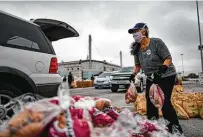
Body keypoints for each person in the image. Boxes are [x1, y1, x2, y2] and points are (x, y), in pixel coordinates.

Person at [128, 22, 183, 134]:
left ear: (145, 30)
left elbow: (168, 58)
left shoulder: (156, 42)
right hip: (151, 77)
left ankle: (176, 130)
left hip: (166, 75)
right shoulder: (137, 49)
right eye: (133, 32)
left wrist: (161, 70)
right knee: (150, 102)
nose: (134, 34)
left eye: (136, 31)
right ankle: (153, 127)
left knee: (164, 102)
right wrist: (133, 74)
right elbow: (138, 65)